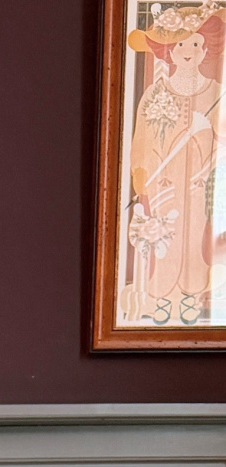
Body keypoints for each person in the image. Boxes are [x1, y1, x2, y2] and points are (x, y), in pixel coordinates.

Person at [125, 4, 226, 325]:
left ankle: (190, 296)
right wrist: (146, 179)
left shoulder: (216, 92)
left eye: (195, 43)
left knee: (194, 236)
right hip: (163, 182)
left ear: (205, 50)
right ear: (169, 51)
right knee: (163, 239)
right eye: (181, 44)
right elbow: (142, 142)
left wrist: (208, 141)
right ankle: (161, 297)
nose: (188, 51)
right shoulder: (155, 94)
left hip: (199, 183)